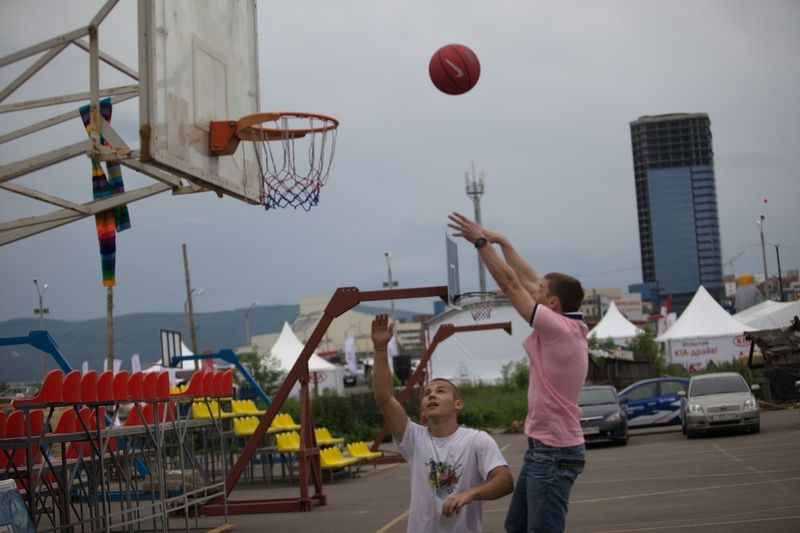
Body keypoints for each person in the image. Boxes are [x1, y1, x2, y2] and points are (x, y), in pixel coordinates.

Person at [448, 212, 588, 533]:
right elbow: (526, 278)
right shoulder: (567, 323)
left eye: (540, 292)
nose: (533, 292)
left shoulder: (557, 329)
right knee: (517, 526)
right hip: (543, 449)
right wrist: (504, 242)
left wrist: (481, 243)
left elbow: (511, 283)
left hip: (554, 454)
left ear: (552, 303)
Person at [371, 313, 514, 533]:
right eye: (427, 393)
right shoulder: (413, 438)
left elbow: (505, 481)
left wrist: (470, 494)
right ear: (423, 408)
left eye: (440, 391)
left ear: (458, 404)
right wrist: (380, 350)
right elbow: (384, 398)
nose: (432, 395)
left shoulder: (476, 440)